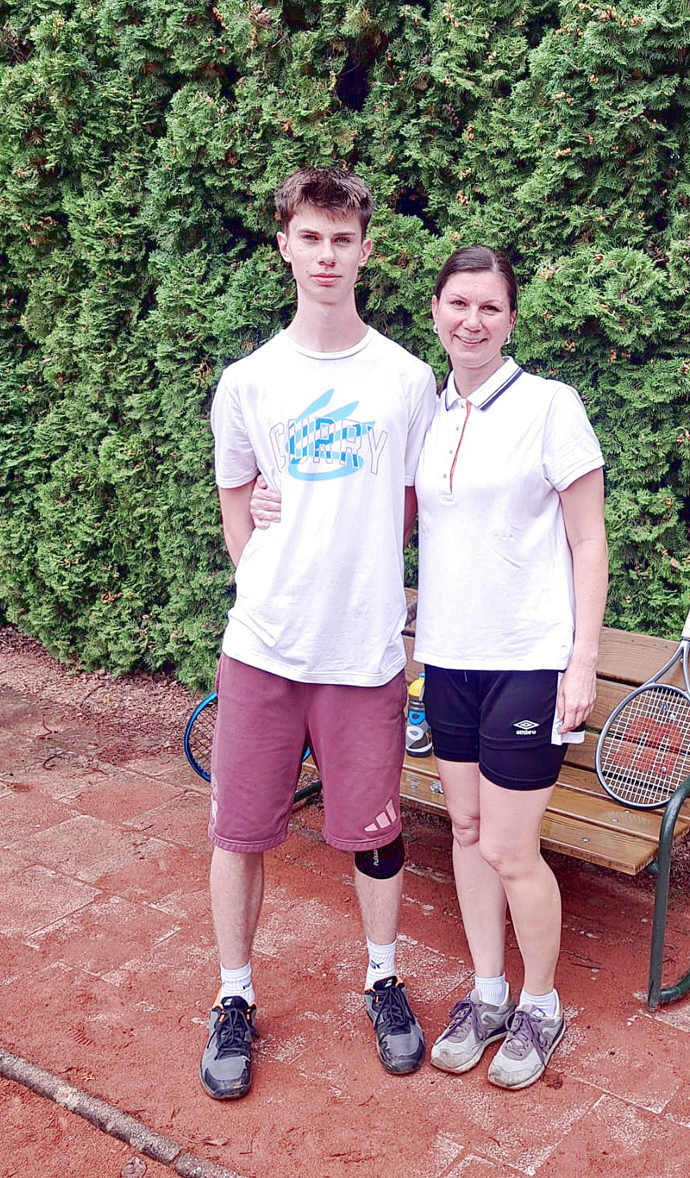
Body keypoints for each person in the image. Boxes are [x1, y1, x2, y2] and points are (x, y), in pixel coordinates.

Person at [252, 244, 608, 1091]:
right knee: (470, 835)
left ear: (510, 318)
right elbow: (361, 491)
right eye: (458, 304)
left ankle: (541, 1005)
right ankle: (488, 995)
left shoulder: (551, 405)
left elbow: (588, 539)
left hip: (528, 662)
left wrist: (582, 659)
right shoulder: (428, 413)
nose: (472, 322)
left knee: (513, 847)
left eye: (490, 307)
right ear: (437, 310)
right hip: (446, 660)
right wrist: (270, 498)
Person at [201, 166, 436, 1101]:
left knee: (376, 836)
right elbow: (236, 500)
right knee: (239, 832)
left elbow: (414, 505)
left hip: (364, 654)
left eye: (343, 240)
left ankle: (383, 980)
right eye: (311, 238)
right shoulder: (248, 381)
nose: (327, 255)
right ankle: (233, 997)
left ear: (366, 250)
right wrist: (266, 570)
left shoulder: (407, 380)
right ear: (285, 247)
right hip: (264, 649)